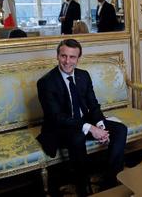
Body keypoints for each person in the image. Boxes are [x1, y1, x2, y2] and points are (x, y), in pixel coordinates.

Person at [36, 39, 127, 196]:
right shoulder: (46, 82)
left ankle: (111, 179)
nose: (67, 61)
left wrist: (101, 126)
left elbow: (93, 104)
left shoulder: (83, 76)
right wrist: (91, 128)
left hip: (84, 121)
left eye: (72, 57)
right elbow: (56, 117)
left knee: (120, 129)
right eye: (63, 56)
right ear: (57, 56)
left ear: (78, 58)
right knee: (78, 136)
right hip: (60, 128)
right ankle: (82, 186)